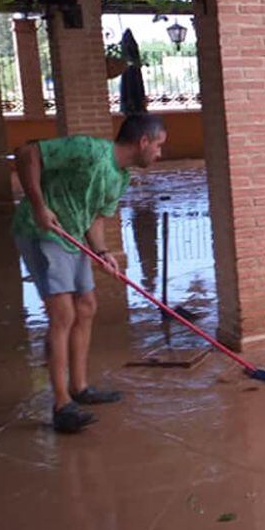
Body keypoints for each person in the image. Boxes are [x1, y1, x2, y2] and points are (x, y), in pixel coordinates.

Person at [12, 114, 168, 433]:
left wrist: (101, 252)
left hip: (72, 236)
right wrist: (39, 205)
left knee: (86, 307)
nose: (159, 153)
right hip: (41, 230)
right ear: (143, 142)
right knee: (63, 313)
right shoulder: (88, 150)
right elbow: (27, 153)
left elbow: (95, 220)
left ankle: (80, 388)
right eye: (159, 146)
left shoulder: (120, 177)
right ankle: (60, 405)